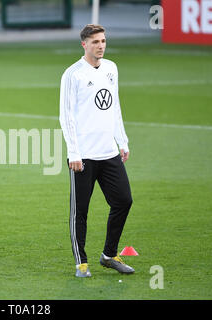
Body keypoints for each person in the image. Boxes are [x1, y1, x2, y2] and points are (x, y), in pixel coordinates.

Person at [59, 24, 134, 277]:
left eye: (103, 41)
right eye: (95, 42)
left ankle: (109, 255)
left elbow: (115, 107)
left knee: (124, 201)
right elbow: (66, 116)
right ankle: (81, 263)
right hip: (83, 156)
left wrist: (121, 140)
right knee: (80, 211)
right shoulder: (73, 74)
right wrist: (74, 153)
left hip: (108, 152)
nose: (100, 46)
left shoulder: (112, 68)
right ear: (84, 44)